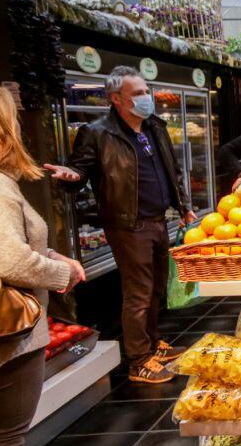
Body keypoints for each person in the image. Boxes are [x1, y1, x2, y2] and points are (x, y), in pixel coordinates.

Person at [44, 66, 195, 384]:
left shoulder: (154, 126)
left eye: (145, 91)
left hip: (158, 220)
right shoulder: (98, 133)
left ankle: (153, 344)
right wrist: (71, 177)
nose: (146, 98)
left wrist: (183, 206)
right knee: (138, 293)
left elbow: (172, 168)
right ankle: (139, 359)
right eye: (138, 93)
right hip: (128, 224)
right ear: (116, 98)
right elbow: (79, 170)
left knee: (156, 288)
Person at [0, 86, 81, 446]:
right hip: (8, 329)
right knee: (6, 431)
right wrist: (59, 271)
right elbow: (10, 257)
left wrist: (47, 254)